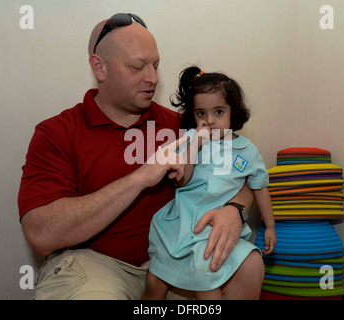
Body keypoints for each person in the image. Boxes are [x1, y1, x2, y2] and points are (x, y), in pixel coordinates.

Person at [18, 13, 261, 300]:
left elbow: (244, 171)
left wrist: (236, 208)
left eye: (156, 65)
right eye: (137, 67)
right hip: (95, 264)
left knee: (248, 266)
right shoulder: (58, 132)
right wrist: (139, 179)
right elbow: (41, 235)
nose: (153, 78)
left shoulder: (183, 125)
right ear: (99, 67)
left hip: (178, 258)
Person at [143, 67, 276, 300]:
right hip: (181, 224)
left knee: (208, 284)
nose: (210, 121)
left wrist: (271, 225)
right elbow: (181, 181)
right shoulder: (191, 142)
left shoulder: (247, 151)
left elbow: (260, 188)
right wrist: (196, 143)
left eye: (218, 112)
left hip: (213, 230)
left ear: (232, 112)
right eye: (201, 114)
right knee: (155, 282)